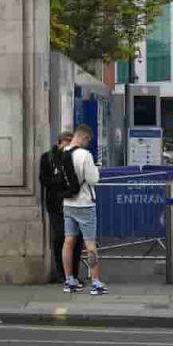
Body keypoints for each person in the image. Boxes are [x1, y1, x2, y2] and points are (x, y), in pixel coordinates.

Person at [61, 124, 107, 295]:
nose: (88, 144)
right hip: (85, 204)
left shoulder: (62, 153)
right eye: (88, 141)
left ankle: (69, 280)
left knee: (68, 242)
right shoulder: (85, 155)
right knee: (90, 244)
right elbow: (94, 179)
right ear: (84, 138)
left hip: (68, 203)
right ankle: (96, 282)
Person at [40, 131, 84, 284]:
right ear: (60, 143)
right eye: (67, 143)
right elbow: (44, 179)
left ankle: (74, 274)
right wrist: (60, 181)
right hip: (57, 204)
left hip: (74, 203)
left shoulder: (76, 157)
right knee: (60, 238)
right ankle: (62, 272)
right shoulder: (47, 158)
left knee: (76, 240)